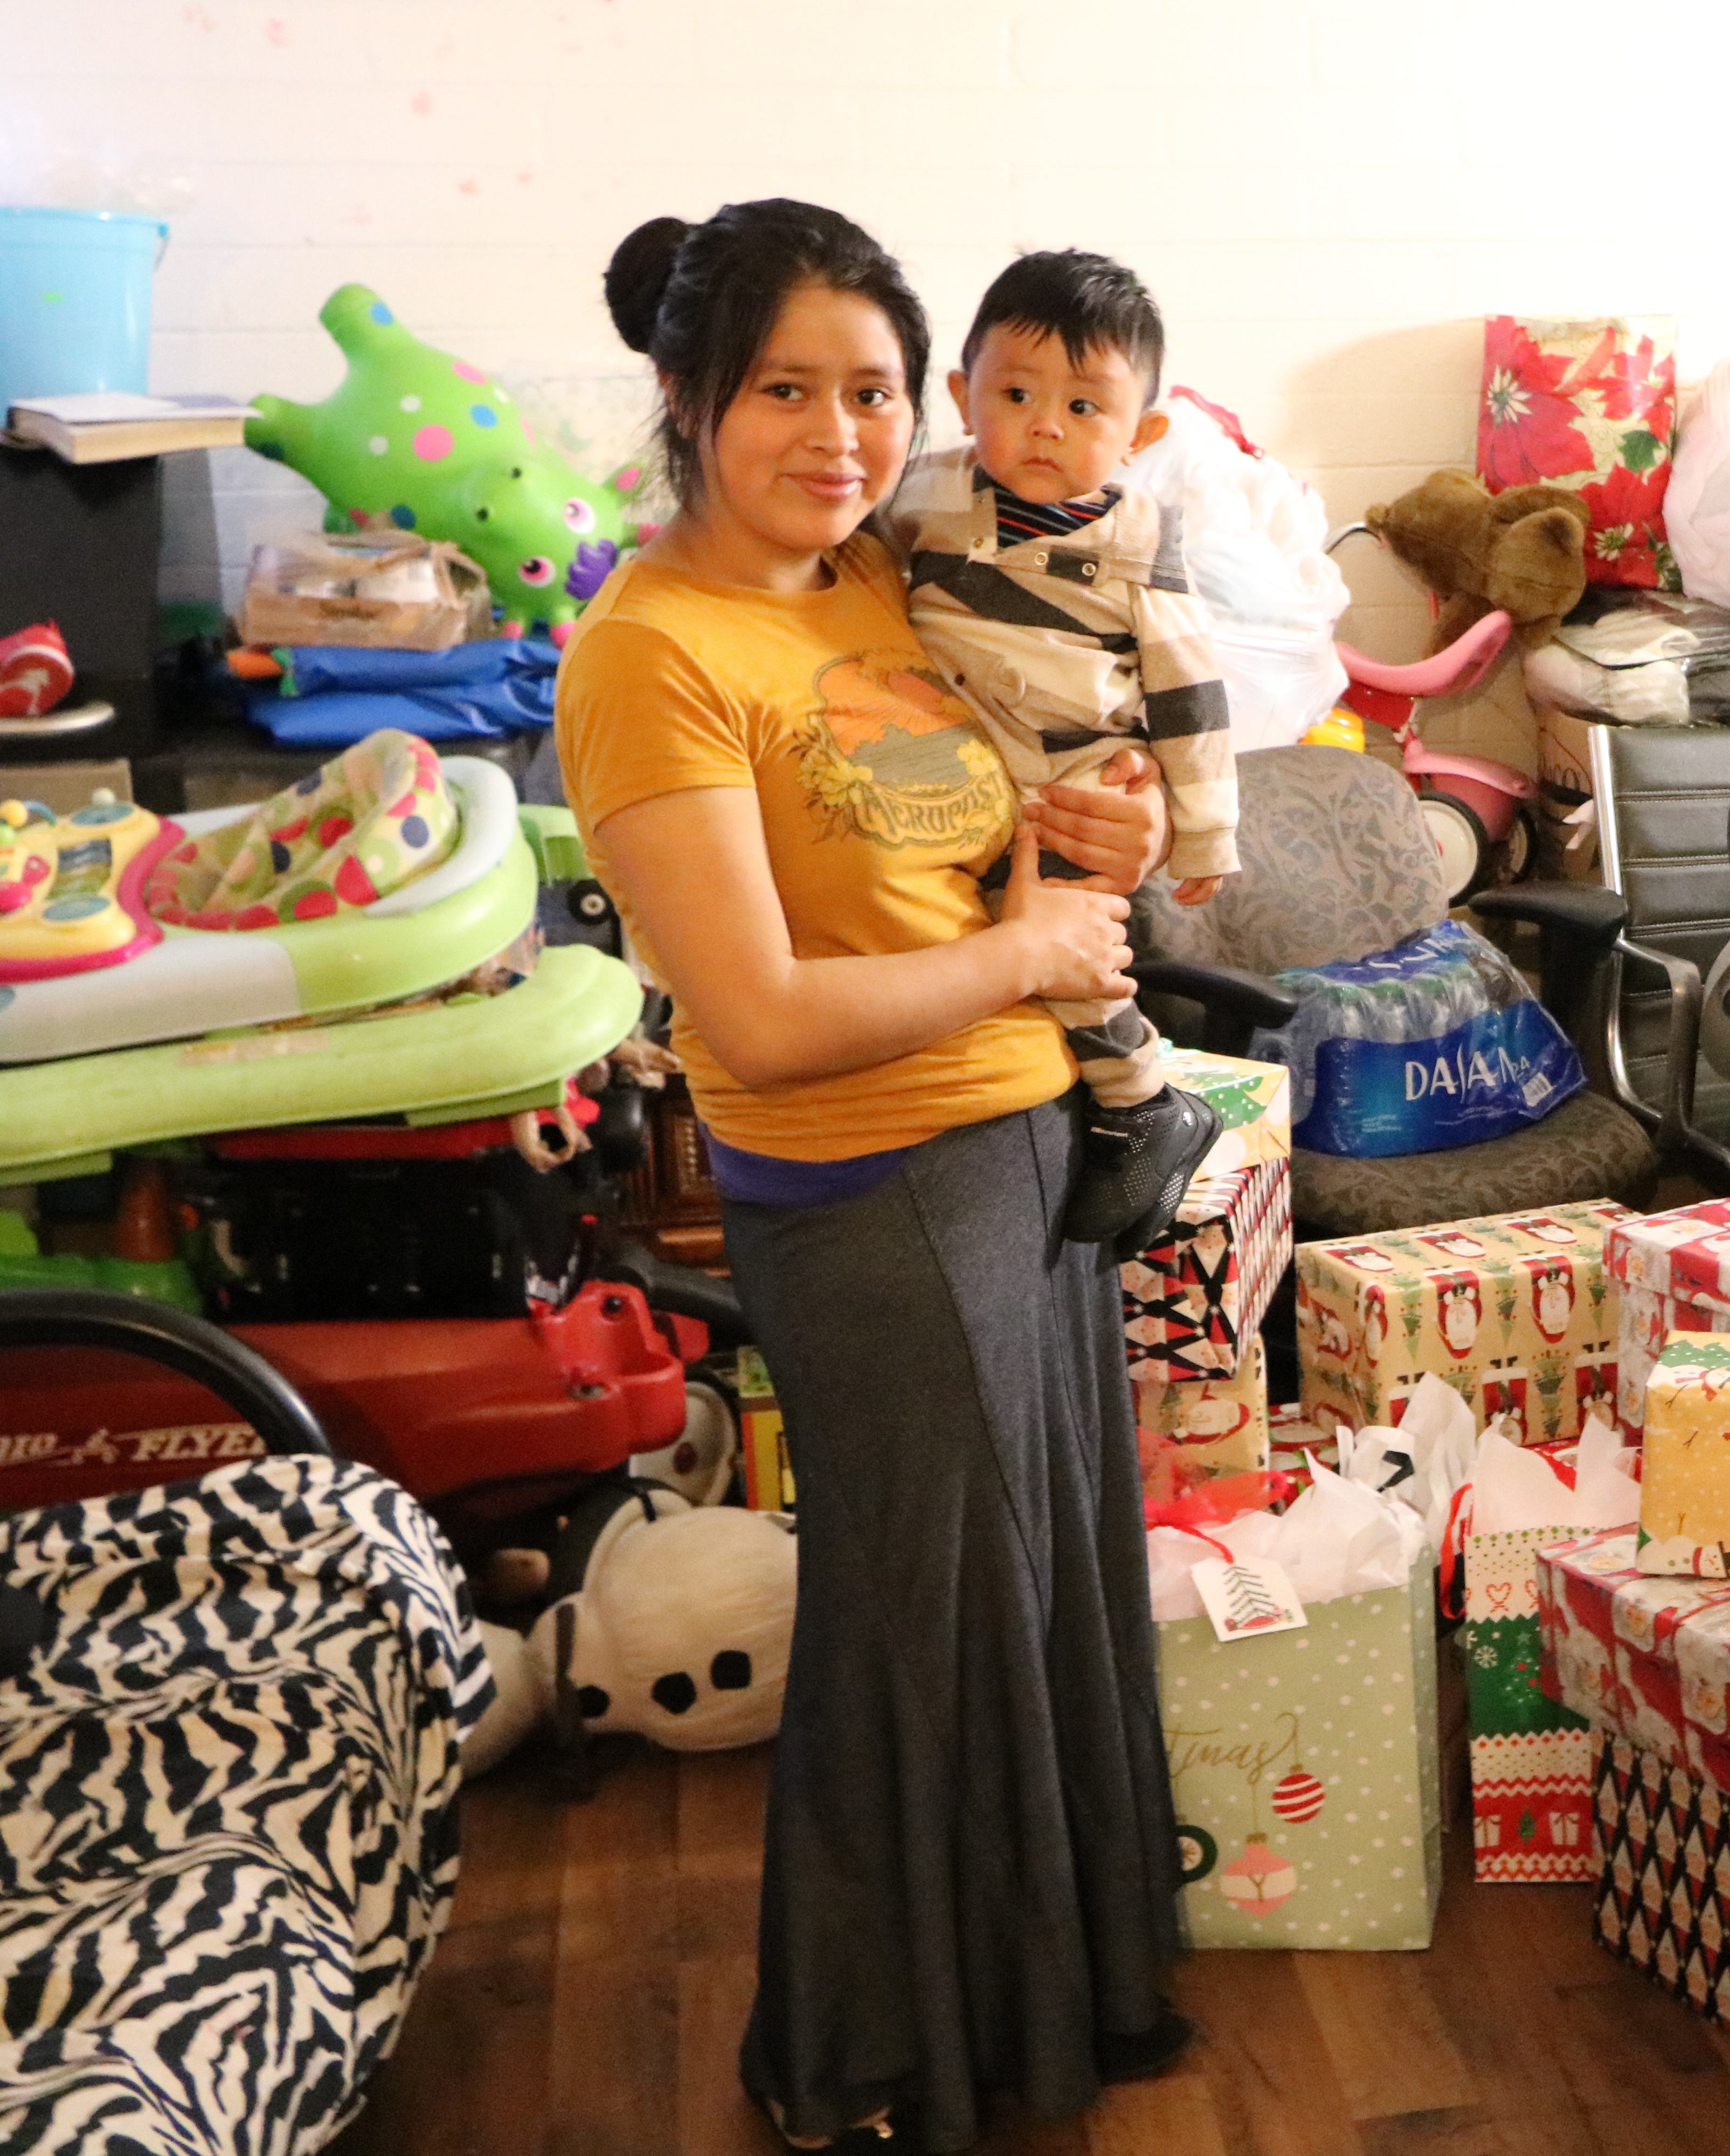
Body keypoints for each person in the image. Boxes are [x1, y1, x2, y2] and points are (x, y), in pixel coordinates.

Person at [551, 197, 1190, 2153]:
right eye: (784, 390)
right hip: (873, 1188)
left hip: (1024, 1148)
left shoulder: (874, 582)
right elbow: (747, 1016)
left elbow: (981, 853)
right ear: (685, 397)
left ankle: (1045, 2009)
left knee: (1037, 1594)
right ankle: (852, 2052)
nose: (838, 433)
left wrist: (1106, 829)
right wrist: (1024, 958)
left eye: (872, 391)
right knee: (919, 1625)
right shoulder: (651, 654)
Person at [887, 252, 1231, 1250]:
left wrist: (1203, 830)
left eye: (1087, 408)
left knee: (1074, 959)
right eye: (1017, 393)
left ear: (1142, 434)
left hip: (1079, 776)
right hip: (959, 769)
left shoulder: (1138, 538)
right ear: (961, 396)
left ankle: (1142, 1101)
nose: (1046, 424)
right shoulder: (920, 499)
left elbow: (1189, 686)